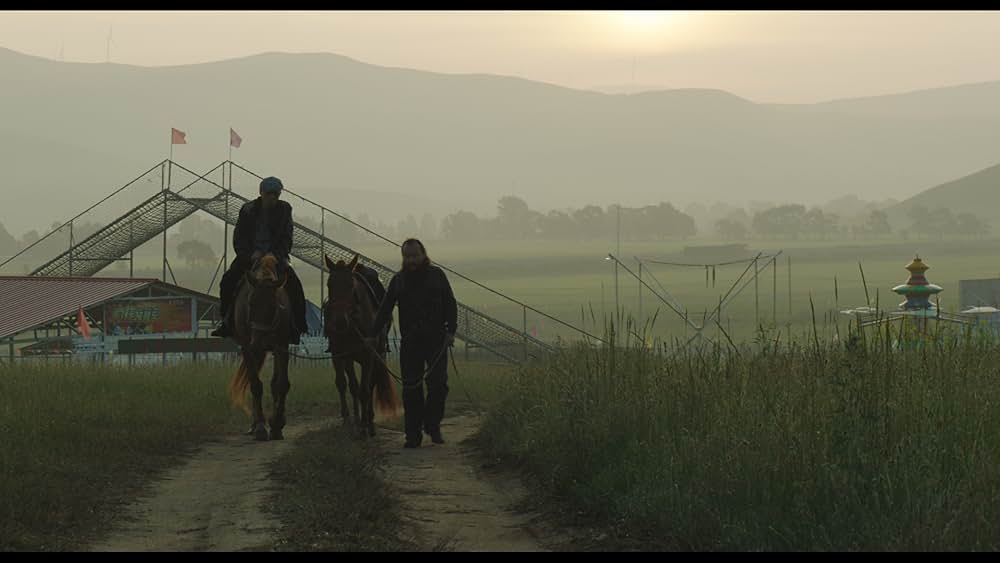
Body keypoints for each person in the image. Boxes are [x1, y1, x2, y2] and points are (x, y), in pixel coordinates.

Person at [368, 239, 457, 448]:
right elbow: (385, 309)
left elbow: (450, 303)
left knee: (439, 385)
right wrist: (372, 334)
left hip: (436, 340)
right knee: (411, 388)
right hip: (411, 342)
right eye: (407, 256)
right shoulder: (398, 281)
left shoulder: (437, 276)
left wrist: (451, 331)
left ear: (423, 254)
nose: (411, 260)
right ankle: (413, 434)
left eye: (415, 255)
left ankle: (432, 425)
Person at [211, 176, 308, 344]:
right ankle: (226, 322)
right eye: (270, 194)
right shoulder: (247, 210)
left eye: (276, 194)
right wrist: (249, 255)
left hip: (276, 258)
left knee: (295, 284)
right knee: (227, 281)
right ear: (261, 193)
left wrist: (275, 255)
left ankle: (298, 325)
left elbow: (287, 237)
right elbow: (239, 237)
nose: (273, 198)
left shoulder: (285, 209)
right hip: (249, 257)